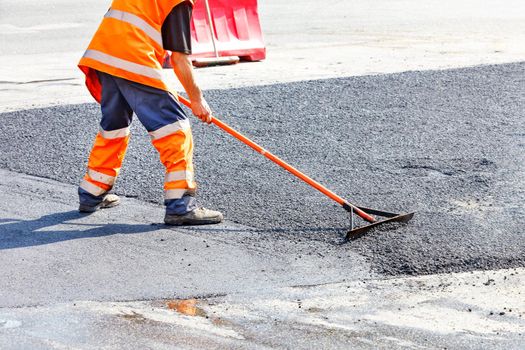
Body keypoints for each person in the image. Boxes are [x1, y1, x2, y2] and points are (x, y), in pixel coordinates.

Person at [77, 0, 223, 226]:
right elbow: (179, 59)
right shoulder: (179, 2)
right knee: (175, 129)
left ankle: (92, 193)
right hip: (133, 58)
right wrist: (196, 99)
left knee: (114, 127)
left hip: (103, 55)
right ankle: (180, 206)